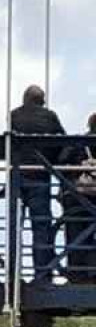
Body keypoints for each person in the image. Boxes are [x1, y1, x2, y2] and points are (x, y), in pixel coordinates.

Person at [11, 85, 66, 283]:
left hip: (17, 177)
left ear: (24, 98)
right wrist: (53, 163)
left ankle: (13, 276)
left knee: (14, 227)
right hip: (40, 177)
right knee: (41, 228)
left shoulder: (14, 116)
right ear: (42, 101)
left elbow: (5, 148)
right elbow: (64, 143)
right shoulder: (49, 117)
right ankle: (43, 275)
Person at [59, 112, 96, 284]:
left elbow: (61, 161)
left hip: (78, 196)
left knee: (75, 234)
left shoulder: (79, 142)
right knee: (90, 234)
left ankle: (76, 275)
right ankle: (92, 273)